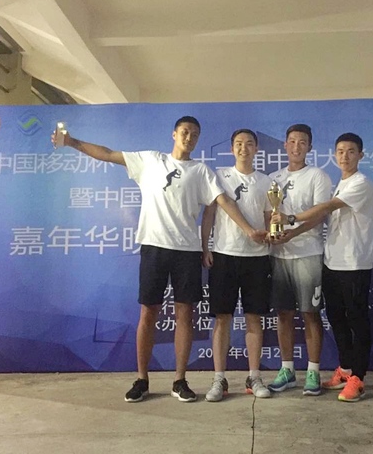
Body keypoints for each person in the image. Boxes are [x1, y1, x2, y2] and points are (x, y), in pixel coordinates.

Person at [51, 116, 266, 403]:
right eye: (185, 132)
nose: (189, 138)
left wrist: (248, 230)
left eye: (195, 134)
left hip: (187, 251)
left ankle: (179, 380)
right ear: (174, 134)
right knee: (148, 313)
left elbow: (223, 202)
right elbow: (108, 154)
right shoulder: (150, 160)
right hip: (154, 247)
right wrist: (71, 142)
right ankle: (142, 379)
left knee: (184, 315)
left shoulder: (201, 171)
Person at [272, 132, 373, 402]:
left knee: (357, 320)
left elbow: (327, 207)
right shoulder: (341, 183)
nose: (345, 156)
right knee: (337, 318)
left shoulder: (361, 183)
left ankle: (358, 378)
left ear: (360, 155)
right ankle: (345, 369)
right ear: (334, 155)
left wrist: (291, 219)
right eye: (340, 151)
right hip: (332, 261)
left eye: (351, 151)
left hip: (355, 263)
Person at [201, 129, 273, 401]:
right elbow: (209, 214)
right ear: (231, 149)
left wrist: (272, 237)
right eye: (239, 144)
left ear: (256, 149)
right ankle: (219, 379)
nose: (244, 148)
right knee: (223, 318)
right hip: (224, 255)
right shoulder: (219, 176)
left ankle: (254, 376)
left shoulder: (266, 181)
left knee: (254, 317)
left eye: (249, 144)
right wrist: (205, 246)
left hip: (257, 258)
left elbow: (269, 218)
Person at [267, 124, 332, 396]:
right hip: (279, 255)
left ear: (310, 147)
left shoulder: (318, 176)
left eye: (302, 142)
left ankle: (314, 371)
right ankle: (287, 370)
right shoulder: (274, 178)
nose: (296, 147)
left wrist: (293, 232)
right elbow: (269, 215)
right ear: (285, 145)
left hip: (308, 253)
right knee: (283, 313)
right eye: (292, 141)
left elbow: (320, 214)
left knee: (310, 313)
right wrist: (272, 235)